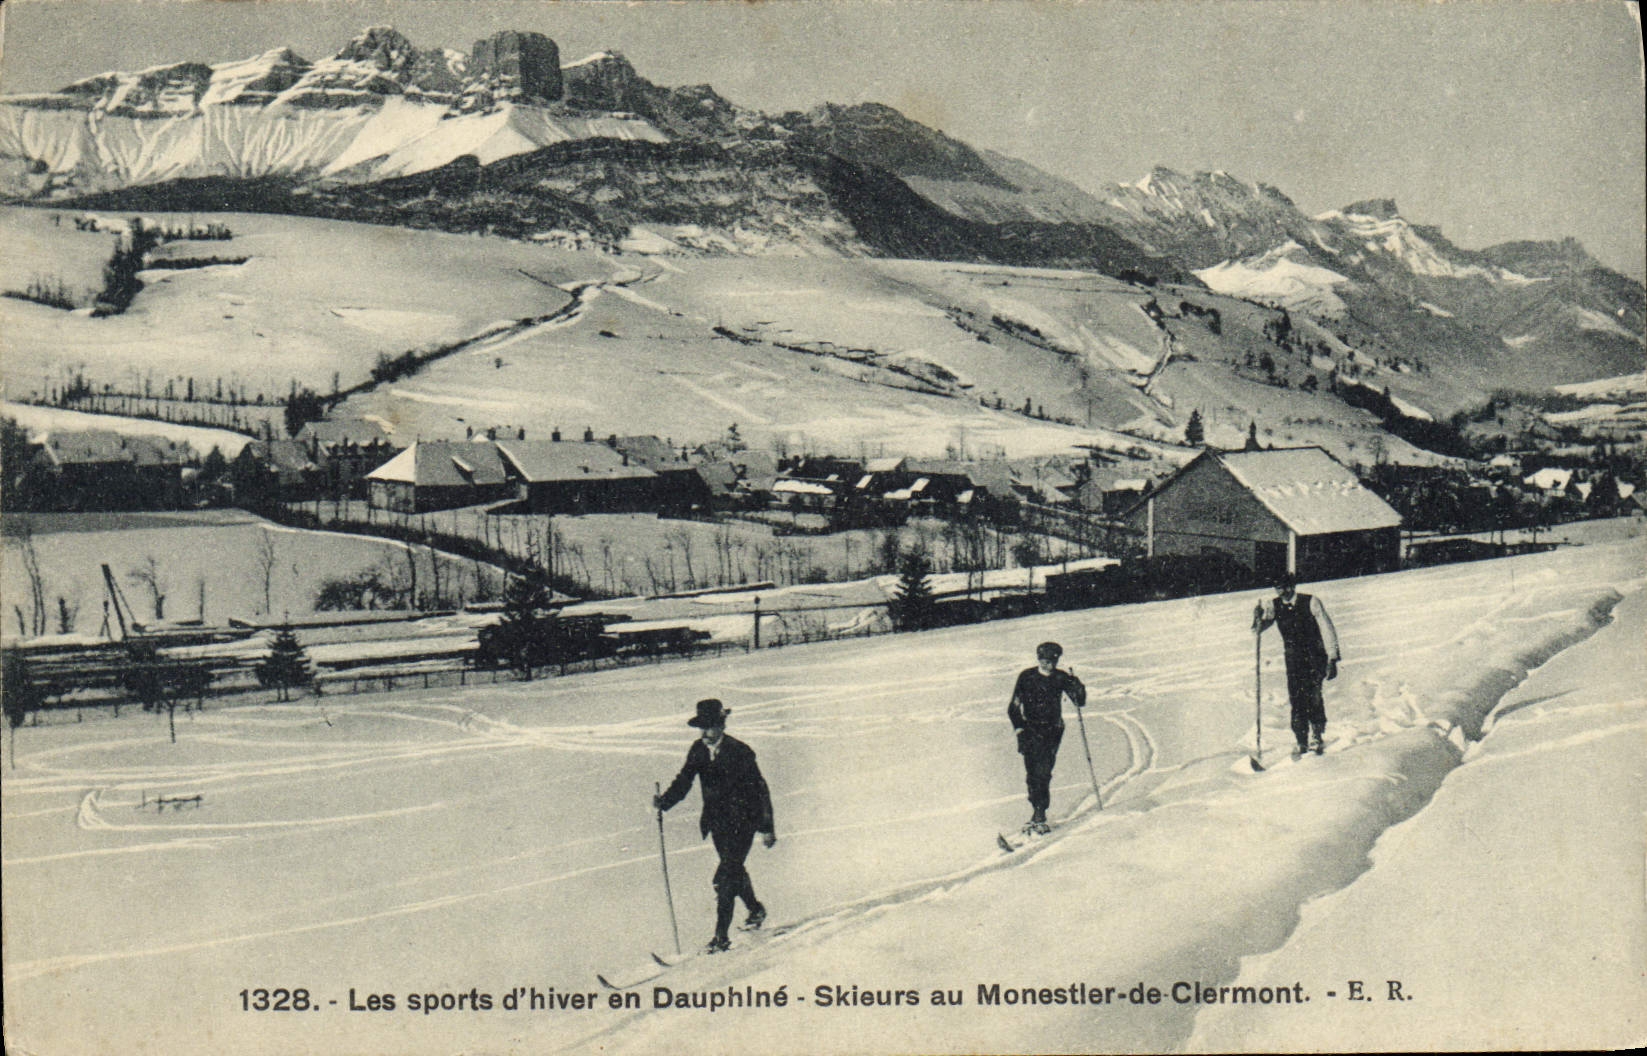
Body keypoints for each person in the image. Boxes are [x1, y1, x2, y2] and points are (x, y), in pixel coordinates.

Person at [654, 698, 776, 954]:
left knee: (725, 879)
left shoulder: (740, 751)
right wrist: (664, 802)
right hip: (718, 824)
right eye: (701, 728)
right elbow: (684, 780)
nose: (704, 733)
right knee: (733, 871)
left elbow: (760, 789)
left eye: (709, 727)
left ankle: (721, 937)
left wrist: (767, 827)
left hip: (744, 822)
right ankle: (755, 910)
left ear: (721, 725)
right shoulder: (698, 750)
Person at [1253, 572, 1341, 758]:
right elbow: (1258, 630)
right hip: (1293, 661)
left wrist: (1332, 658)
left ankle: (1316, 736)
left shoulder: (1311, 602)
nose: (1282, 591)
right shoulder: (1275, 606)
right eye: (1278, 588)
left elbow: (1327, 629)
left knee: (1313, 696)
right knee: (1296, 698)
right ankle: (1301, 739)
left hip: (1315, 657)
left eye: (1285, 587)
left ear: (1293, 586)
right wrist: (1257, 618)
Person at [1007, 642, 1086, 834]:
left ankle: (1040, 813)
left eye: (1051, 661)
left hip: (1052, 730)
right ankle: (1036, 811)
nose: (1047, 665)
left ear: (1057, 660)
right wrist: (1019, 729)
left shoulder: (1061, 677)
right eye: (1043, 660)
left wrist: (1078, 686)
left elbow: (1079, 701)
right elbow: (1013, 707)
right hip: (1029, 730)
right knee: (1032, 773)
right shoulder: (1027, 677)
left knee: (1043, 771)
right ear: (1038, 659)